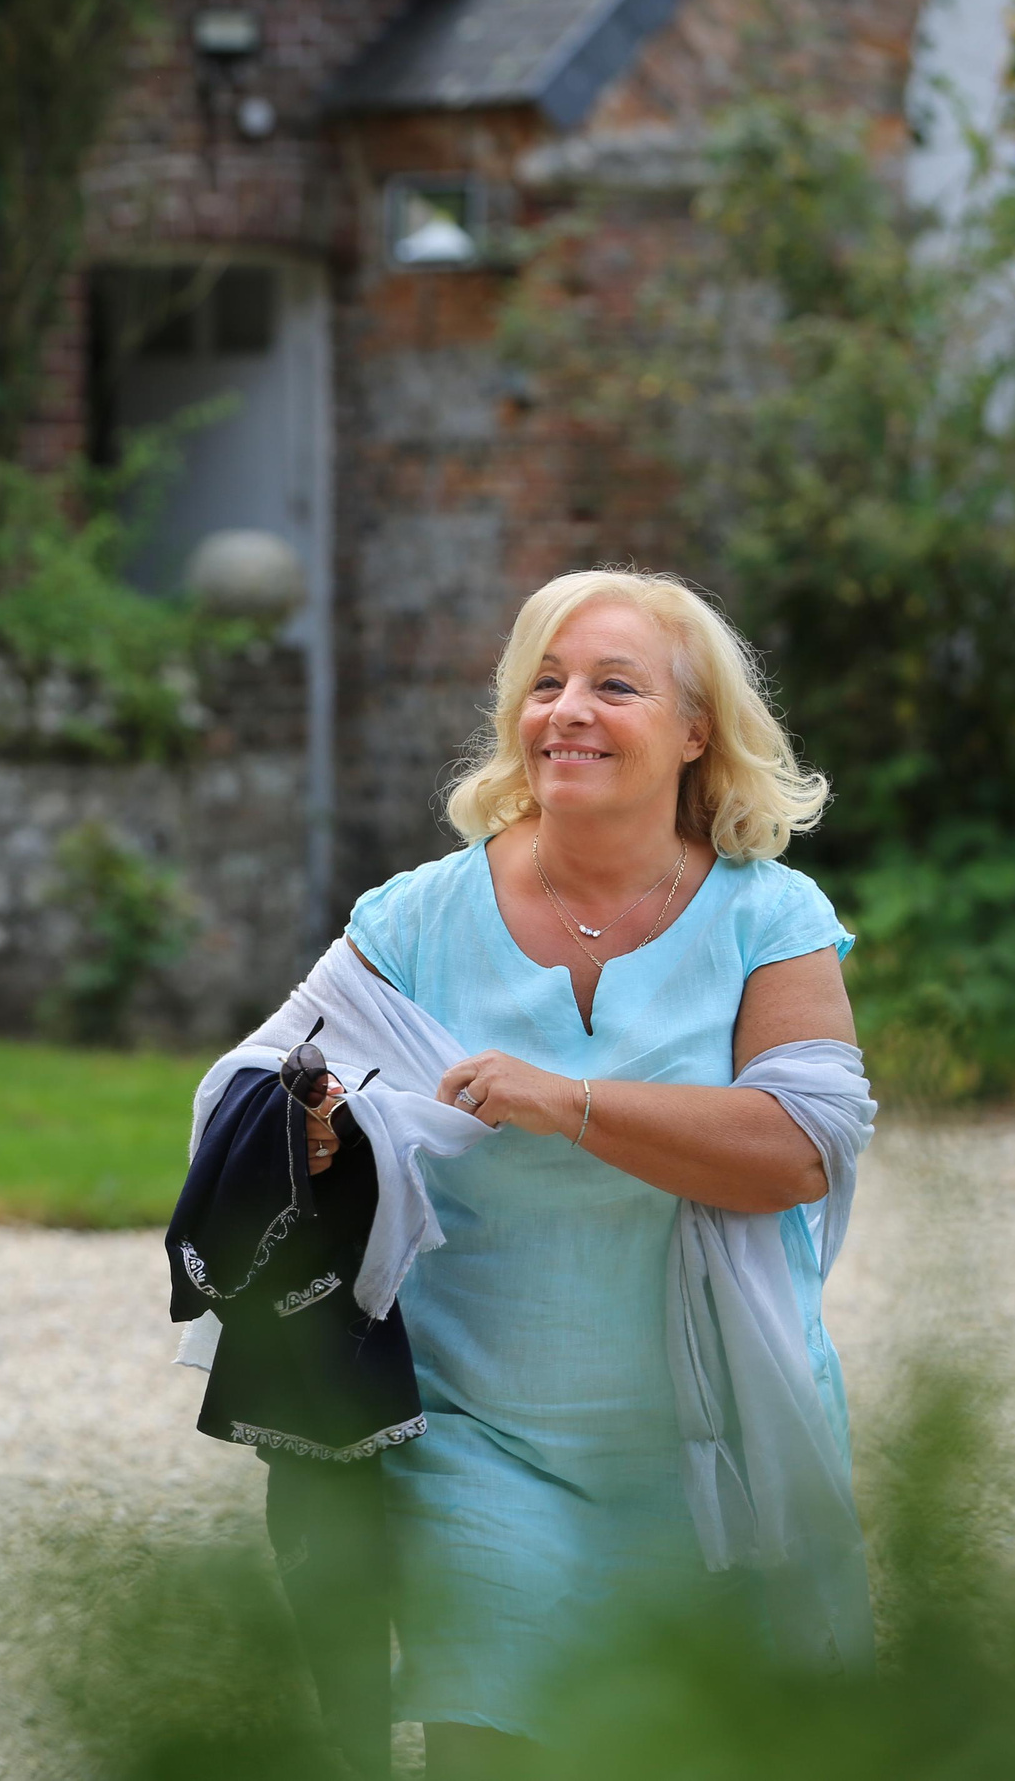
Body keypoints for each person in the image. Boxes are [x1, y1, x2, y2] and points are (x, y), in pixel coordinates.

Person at [332, 569, 862, 1772]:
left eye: (613, 686)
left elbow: (795, 1147)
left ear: (693, 733)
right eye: (546, 683)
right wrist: (311, 1128)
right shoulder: (413, 916)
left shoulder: (768, 915)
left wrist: (568, 1102)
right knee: (489, 1744)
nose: (566, 709)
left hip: (712, 1446)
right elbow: (265, 1088)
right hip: (474, 1434)